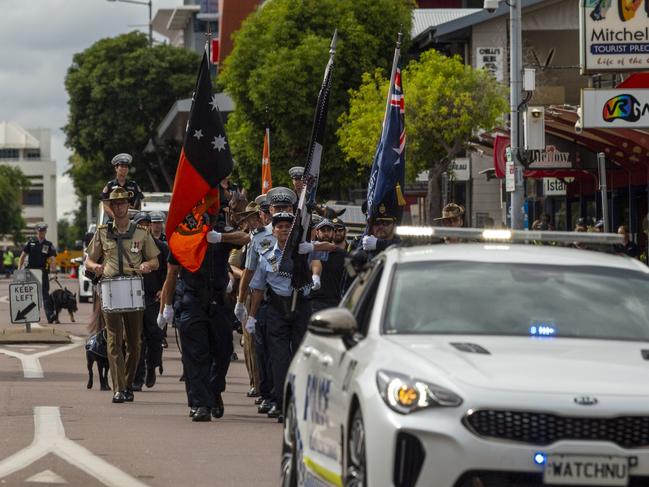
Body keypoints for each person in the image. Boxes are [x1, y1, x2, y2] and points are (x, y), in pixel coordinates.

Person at [159, 210, 249, 422]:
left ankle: (214, 389)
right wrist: (167, 306)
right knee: (195, 355)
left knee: (224, 351)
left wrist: (221, 238)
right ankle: (200, 403)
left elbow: (246, 237)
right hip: (192, 301)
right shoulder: (181, 238)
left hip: (219, 302)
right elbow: (172, 274)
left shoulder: (219, 232)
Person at [85, 188, 160, 403]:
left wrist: (147, 264)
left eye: (122, 203)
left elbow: (155, 260)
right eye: (115, 204)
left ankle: (127, 383)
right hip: (109, 289)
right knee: (114, 340)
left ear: (129, 205)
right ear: (111, 207)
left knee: (135, 343)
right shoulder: (102, 232)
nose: (119, 207)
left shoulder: (141, 233)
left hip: (133, 290)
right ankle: (119, 388)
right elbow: (88, 260)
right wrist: (96, 266)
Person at [247, 212, 313, 422]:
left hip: (301, 307)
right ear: (273, 231)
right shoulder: (267, 253)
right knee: (279, 358)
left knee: (300, 356)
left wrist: (311, 257)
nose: (284, 229)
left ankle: (300, 402)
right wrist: (251, 316)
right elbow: (258, 287)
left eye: (288, 226)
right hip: (277, 309)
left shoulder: (303, 251)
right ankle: (282, 402)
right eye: (280, 226)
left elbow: (325, 257)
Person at [132, 212, 168, 391]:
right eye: (141, 224)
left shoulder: (161, 246)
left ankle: (152, 367)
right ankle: (136, 378)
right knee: (136, 339)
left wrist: (164, 290)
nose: (145, 227)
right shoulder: (130, 247)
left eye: (147, 224)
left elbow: (170, 273)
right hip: (134, 297)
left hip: (153, 298)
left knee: (155, 336)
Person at [18, 223, 57, 323]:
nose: (41, 233)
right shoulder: (30, 242)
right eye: (39, 231)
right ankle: (31, 315)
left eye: (43, 231)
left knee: (45, 294)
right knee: (31, 294)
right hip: (30, 271)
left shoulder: (48, 244)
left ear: (45, 232)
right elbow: (22, 256)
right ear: (36, 231)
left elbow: (53, 259)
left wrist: (53, 272)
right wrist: (19, 269)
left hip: (42, 271)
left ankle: (50, 315)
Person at [310, 219, 347, 313]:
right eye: (323, 230)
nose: (326, 233)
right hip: (312, 302)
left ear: (333, 233)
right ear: (317, 233)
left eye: (329, 230)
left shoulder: (343, 255)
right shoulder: (309, 253)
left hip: (334, 303)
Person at [101, 153, 144, 220]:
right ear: (116, 168)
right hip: (114, 222)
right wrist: (116, 219)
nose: (124, 168)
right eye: (122, 166)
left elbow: (139, 205)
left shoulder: (134, 185)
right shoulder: (110, 186)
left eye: (126, 166)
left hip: (131, 221)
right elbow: (106, 206)